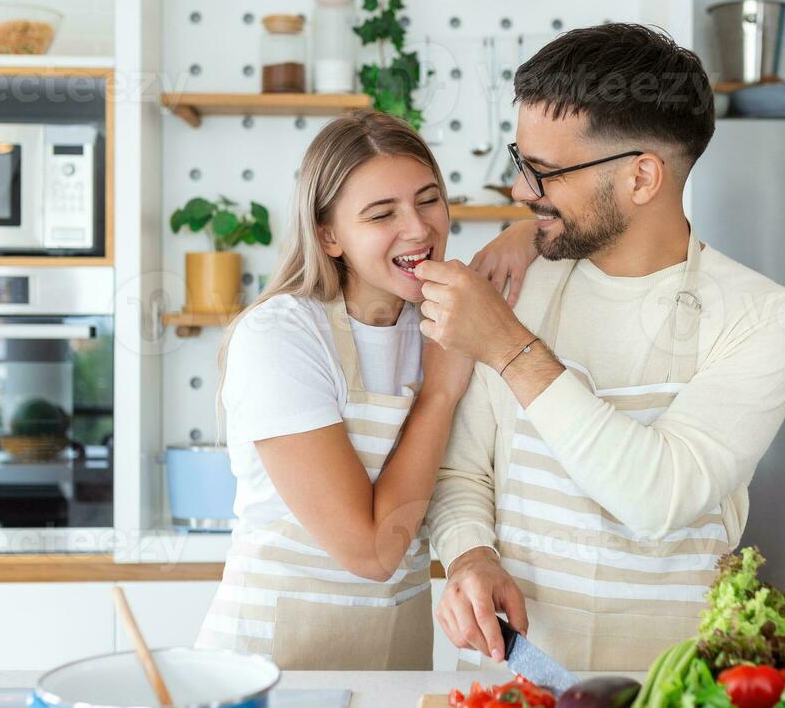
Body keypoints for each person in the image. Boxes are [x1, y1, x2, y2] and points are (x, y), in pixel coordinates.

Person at [417, 24, 785, 671]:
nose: (521, 192)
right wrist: (469, 551)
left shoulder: (765, 318)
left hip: (674, 703)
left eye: (543, 172)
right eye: (522, 163)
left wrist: (509, 348)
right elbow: (464, 473)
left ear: (641, 178)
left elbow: (659, 497)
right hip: (513, 684)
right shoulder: (516, 287)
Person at [194, 110, 536, 670]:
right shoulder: (282, 335)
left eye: (428, 200)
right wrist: (439, 393)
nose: (419, 229)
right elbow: (374, 552)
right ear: (329, 235)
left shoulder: (438, 320)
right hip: (268, 669)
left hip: (394, 658)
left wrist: (522, 234)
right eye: (382, 214)